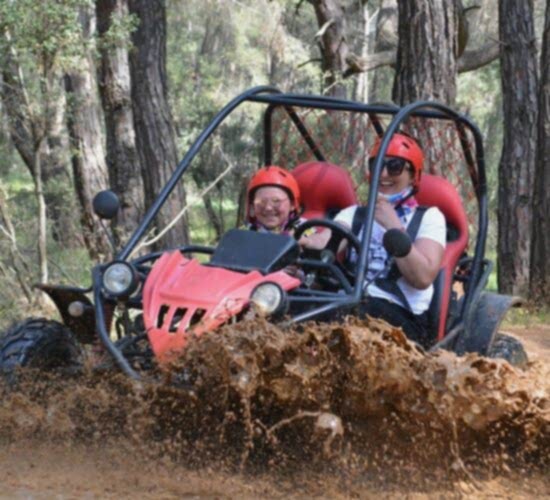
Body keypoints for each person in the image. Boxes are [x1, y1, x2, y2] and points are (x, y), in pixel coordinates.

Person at [301, 133, 446, 347]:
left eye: (394, 166)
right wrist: (303, 241)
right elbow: (327, 240)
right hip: (348, 303)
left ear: (413, 176)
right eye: (376, 165)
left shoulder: (429, 217)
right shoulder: (354, 214)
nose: (383, 173)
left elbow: (423, 277)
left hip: (401, 315)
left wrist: (393, 226)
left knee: (348, 318)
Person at [246, 166, 303, 235]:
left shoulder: (304, 229)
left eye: (276, 201)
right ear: (252, 206)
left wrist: (304, 239)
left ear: (292, 204)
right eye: (261, 202)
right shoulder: (244, 233)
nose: (268, 208)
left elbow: (314, 237)